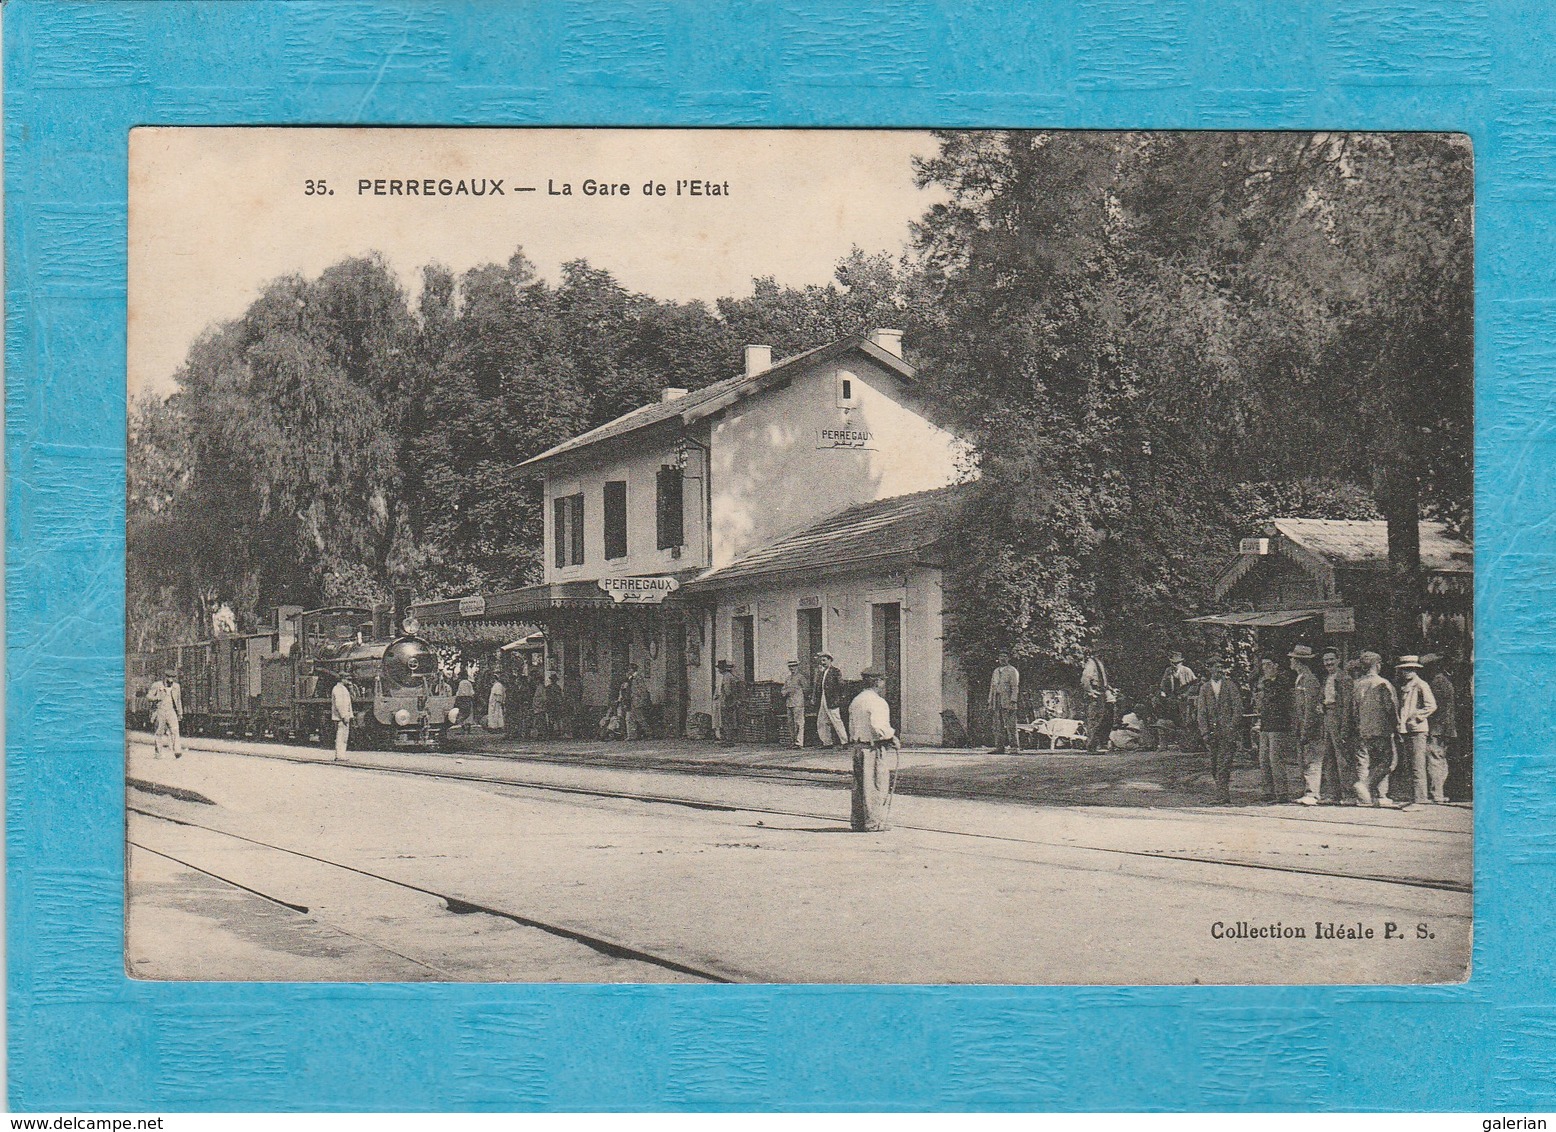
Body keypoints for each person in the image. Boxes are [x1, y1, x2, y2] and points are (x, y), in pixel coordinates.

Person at [848, 668, 902, 832]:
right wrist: (892, 737)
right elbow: (879, 728)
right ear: (877, 682)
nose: (884, 684)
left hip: (858, 747)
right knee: (875, 785)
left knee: (859, 786)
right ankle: (874, 823)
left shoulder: (856, 700)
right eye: (882, 681)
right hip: (873, 749)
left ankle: (858, 822)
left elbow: (851, 726)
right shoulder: (877, 702)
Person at [1350, 650, 1401, 807]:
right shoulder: (1383, 684)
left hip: (1365, 729)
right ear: (1377, 665)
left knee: (1373, 762)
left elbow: (1354, 710)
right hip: (1382, 729)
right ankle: (1369, 788)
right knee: (1388, 762)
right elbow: (1390, 707)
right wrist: (1397, 727)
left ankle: (1373, 797)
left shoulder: (1358, 684)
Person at [1196, 657, 1245, 804]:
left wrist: (1232, 727)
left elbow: (1238, 708)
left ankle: (1222, 796)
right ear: (1210, 669)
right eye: (1216, 667)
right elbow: (1201, 712)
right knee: (1214, 764)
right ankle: (1221, 793)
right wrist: (1204, 731)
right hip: (1212, 733)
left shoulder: (1230, 686)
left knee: (1224, 764)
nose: (1219, 670)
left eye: (1221, 667)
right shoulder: (1204, 688)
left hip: (1227, 732)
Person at [1395, 655, 1438, 805]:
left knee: (1417, 766)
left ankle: (1419, 800)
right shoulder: (1405, 686)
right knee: (1409, 764)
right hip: (1406, 730)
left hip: (1417, 730)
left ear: (1415, 670)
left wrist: (1416, 717)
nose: (1406, 672)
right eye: (1403, 669)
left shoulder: (1421, 685)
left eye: (1409, 669)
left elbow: (1431, 705)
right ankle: (1412, 797)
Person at [1255, 657, 1296, 803]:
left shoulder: (1281, 682)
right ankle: (1268, 791)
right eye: (1263, 665)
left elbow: (1275, 699)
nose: (1266, 668)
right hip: (1265, 724)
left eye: (1269, 664)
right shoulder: (1263, 682)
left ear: (1276, 665)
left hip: (1278, 725)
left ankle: (1281, 792)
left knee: (1275, 759)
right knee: (1263, 759)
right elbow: (1260, 703)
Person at [1318, 648, 1355, 804]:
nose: (1329, 663)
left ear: (1339, 660)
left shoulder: (1344, 678)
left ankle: (1349, 795)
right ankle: (1334, 794)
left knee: (1343, 758)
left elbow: (1347, 705)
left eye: (1331, 659)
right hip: (1328, 717)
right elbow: (1323, 697)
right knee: (1329, 756)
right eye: (1326, 660)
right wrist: (1320, 704)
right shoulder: (1327, 678)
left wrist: (1345, 727)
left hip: (1339, 719)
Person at [1289, 645, 1325, 806]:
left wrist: (1306, 728)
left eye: (1293, 659)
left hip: (1310, 726)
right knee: (1303, 759)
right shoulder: (1301, 678)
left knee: (1312, 760)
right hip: (1300, 725)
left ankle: (1312, 793)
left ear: (1299, 662)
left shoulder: (1309, 680)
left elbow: (1310, 707)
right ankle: (1307, 790)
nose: (1290, 661)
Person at [1423, 654, 1458, 804]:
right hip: (1445, 728)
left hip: (1436, 728)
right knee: (1440, 759)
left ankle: (1437, 793)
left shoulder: (1436, 682)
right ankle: (1439, 792)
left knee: (1435, 759)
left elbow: (1435, 708)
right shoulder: (1445, 681)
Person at [1158, 650, 1198, 749]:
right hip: (1173, 698)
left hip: (1185, 698)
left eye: (1177, 663)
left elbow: (1195, 684)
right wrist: (1163, 694)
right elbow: (1163, 686)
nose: (1175, 665)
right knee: (1172, 718)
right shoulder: (1168, 671)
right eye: (1173, 663)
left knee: (1186, 720)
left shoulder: (1187, 671)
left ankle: (1188, 743)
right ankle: (1170, 743)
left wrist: (1186, 694)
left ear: (1181, 662)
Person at [987, 651, 1021, 754]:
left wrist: (1013, 701)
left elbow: (1015, 687)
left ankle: (1014, 747)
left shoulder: (1012, 670)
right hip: (996, 700)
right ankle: (999, 747)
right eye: (1000, 656)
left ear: (1008, 658)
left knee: (1011, 725)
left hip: (1008, 700)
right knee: (997, 725)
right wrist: (990, 701)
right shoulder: (996, 671)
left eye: (1005, 656)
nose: (1002, 659)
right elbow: (992, 687)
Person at [812, 651, 847, 750]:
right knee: (821, 721)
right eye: (821, 660)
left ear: (830, 660)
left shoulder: (835, 671)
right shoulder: (822, 672)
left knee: (836, 720)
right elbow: (818, 686)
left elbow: (841, 685)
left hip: (832, 699)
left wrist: (839, 698)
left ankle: (844, 742)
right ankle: (827, 742)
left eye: (824, 660)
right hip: (823, 698)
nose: (822, 662)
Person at [147, 668, 183, 759]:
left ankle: (177, 751)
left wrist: (180, 713)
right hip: (160, 711)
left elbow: (178, 701)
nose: (171, 680)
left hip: (171, 711)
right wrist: (156, 698)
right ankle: (158, 753)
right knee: (159, 732)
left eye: (173, 678)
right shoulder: (157, 685)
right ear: (165, 677)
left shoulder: (176, 687)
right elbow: (148, 696)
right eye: (169, 677)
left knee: (175, 730)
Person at [1080, 646, 1111, 753]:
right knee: (1094, 718)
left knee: (1102, 718)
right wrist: (1090, 692)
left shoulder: (1099, 663)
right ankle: (1091, 745)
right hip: (1096, 693)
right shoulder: (1091, 663)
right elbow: (1085, 679)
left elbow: (1102, 679)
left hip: (1102, 692)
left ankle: (1098, 744)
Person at [782, 659, 809, 748]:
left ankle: (799, 742)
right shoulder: (788, 678)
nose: (792, 668)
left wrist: (797, 692)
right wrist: (784, 692)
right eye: (790, 666)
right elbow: (783, 689)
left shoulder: (801, 677)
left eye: (794, 666)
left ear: (797, 667)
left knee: (799, 723)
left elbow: (806, 689)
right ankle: (793, 741)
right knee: (791, 723)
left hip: (798, 703)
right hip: (789, 703)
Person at [623, 662, 651, 740]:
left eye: (629, 669)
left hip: (636, 700)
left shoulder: (638, 677)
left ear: (632, 669)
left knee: (639, 718)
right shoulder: (630, 678)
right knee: (629, 718)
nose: (628, 671)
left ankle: (649, 733)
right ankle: (632, 735)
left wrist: (641, 699)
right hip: (630, 701)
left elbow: (643, 689)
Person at [330, 672, 354, 760]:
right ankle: (340, 756)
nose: (348, 680)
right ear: (342, 679)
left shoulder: (342, 688)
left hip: (343, 716)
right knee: (341, 736)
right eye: (347, 679)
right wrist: (344, 716)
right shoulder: (338, 689)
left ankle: (341, 755)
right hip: (341, 717)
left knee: (343, 737)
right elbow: (339, 704)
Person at [713, 660, 736, 742]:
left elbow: (727, 691)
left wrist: (724, 700)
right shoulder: (726, 676)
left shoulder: (727, 677)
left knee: (726, 720)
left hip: (726, 701)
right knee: (726, 720)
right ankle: (726, 738)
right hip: (724, 700)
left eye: (719, 668)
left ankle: (728, 739)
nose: (719, 670)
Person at [455, 668, 476, 734]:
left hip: (462, 699)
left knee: (462, 714)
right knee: (469, 714)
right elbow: (472, 692)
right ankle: (468, 730)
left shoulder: (461, 683)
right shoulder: (469, 683)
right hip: (468, 699)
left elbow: (459, 693)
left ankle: (463, 728)